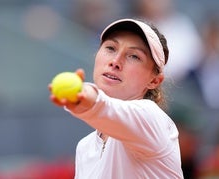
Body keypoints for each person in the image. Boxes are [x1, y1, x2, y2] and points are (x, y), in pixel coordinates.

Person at [49, 18, 184, 178]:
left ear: (154, 80)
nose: (115, 61)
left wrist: (83, 97)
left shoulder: (151, 118)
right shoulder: (85, 147)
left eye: (134, 56)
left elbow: (104, 107)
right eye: (111, 48)